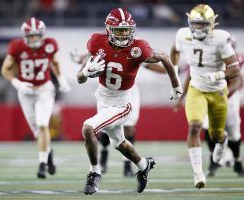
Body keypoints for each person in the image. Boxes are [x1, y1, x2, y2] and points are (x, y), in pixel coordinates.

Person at [77, 8, 182, 195]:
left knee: (88, 127)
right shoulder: (96, 42)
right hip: (102, 98)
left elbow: (165, 57)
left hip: (121, 103)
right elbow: (80, 78)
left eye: (127, 30)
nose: (124, 34)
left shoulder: (138, 48)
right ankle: (144, 165)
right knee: (118, 143)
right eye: (119, 30)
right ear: (109, 30)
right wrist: (85, 72)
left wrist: (175, 85)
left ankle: (94, 173)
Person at [170, 4, 240, 189]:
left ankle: (222, 140)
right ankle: (198, 173)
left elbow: (235, 69)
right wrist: (175, 75)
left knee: (216, 135)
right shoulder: (182, 34)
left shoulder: (221, 38)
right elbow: (175, 51)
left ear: (211, 24)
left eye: (202, 24)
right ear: (189, 23)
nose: (198, 28)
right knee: (194, 127)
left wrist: (217, 75)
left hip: (217, 91)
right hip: (196, 89)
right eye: (195, 24)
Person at [1, 17, 71, 179]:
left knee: (42, 125)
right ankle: (49, 153)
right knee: (37, 133)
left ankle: (42, 164)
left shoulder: (49, 44)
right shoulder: (17, 46)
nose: (33, 38)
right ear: (24, 35)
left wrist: (61, 80)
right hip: (25, 92)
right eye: (29, 35)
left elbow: (55, 62)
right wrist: (17, 83)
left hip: (44, 89)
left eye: (35, 35)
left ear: (42, 34)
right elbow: (5, 69)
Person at [70, 51, 140, 177]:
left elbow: (152, 60)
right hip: (107, 93)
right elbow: (91, 55)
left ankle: (128, 164)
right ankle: (104, 156)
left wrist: (172, 70)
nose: (122, 34)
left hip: (126, 94)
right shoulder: (103, 44)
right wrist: (83, 63)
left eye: (125, 30)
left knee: (129, 128)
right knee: (104, 128)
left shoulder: (135, 49)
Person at [202, 35, 244, 177]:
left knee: (234, 135)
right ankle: (214, 161)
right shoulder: (209, 58)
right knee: (208, 129)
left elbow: (238, 81)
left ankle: (237, 161)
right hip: (212, 97)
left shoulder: (236, 59)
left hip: (230, 99)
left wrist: (225, 92)